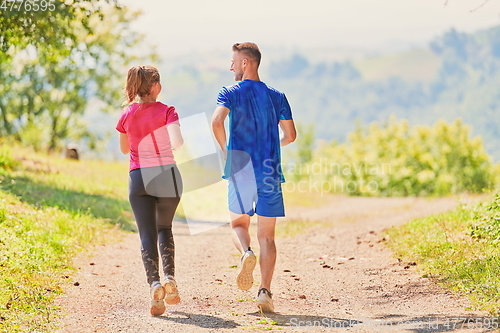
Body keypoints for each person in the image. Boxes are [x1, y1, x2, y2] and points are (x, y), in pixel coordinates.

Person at [211, 43, 297, 313]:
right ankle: (264, 292)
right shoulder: (277, 95)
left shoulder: (231, 92)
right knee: (268, 237)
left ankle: (246, 253)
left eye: (234, 61)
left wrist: (227, 150)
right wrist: (271, 143)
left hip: (241, 169)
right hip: (270, 171)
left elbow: (216, 122)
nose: (231, 66)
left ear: (246, 62)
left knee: (238, 224)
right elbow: (291, 136)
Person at [116, 65, 184, 316]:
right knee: (164, 228)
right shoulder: (168, 111)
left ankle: (155, 285)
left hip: (139, 178)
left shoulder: (126, 114)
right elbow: (177, 142)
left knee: (147, 233)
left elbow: (125, 149)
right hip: (167, 174)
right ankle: (170, 279)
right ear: (155, 87)